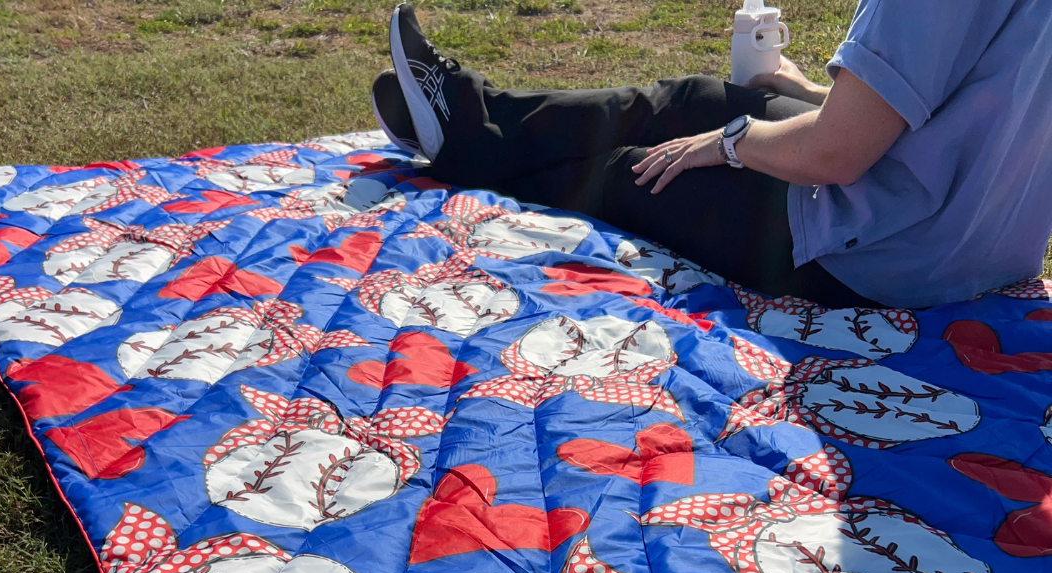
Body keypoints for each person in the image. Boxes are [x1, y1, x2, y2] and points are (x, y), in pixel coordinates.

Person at [371, 1, 1052, 310]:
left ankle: (462, 143)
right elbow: (962, 115)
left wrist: (732, 143)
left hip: (876, 257)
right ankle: (469, 117)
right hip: (978, 247)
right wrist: (804, 92)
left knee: (633, 168)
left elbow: (834, 156)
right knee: (694, 98)